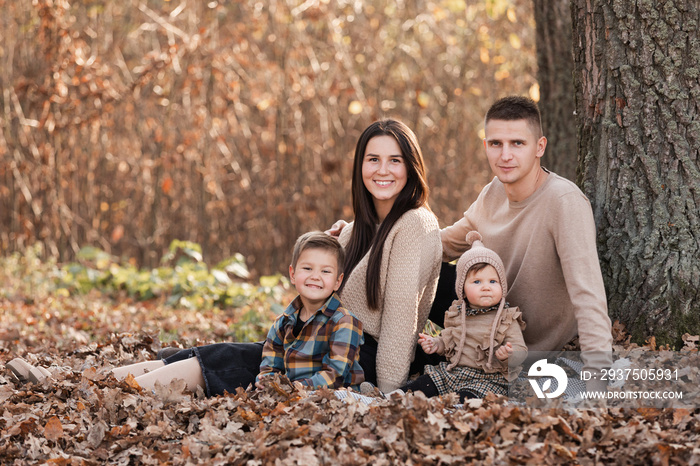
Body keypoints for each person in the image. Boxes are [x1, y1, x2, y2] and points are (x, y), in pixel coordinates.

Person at [8, 232, 364, 395]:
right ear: (292, 273)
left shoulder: (342, 322)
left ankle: (76, 388)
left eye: (325, 272)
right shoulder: (285, 320)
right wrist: (269, 384)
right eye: (307, 269)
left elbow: (333, 374)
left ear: (338, 280)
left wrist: (287, 392)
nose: (315, 277)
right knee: (196, 355)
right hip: (284, 388)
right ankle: (67, 378)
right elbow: (268, 362)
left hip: (309, 393)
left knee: (213, 359)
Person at [438, 95, 612, 378]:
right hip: (484, 326)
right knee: (420, 268)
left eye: (517, 143)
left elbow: (588, 293)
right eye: (496, 144)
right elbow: (442, 245)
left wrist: (598, 375)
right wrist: (358, 234)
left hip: (528, 348)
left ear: (539, 147)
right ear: (486, 146)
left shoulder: (565, 201)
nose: (505, 155)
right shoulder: (492, 192)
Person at [332, 119, 442, 394]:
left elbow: (400, 317)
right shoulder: (354, 231)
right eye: (373, 159)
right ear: (360, 167)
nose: (383, 170)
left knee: (240, 361)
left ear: (411, 167)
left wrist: (388, 393)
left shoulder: (416, 223)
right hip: (328, 342)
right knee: (244, 356)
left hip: (360, 357)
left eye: (395, 160)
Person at [400, 231, 527, 401]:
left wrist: (509, 354)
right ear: (462, 289)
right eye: (477, 282)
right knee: (428, 381)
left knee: (466, 397)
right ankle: (396, 395)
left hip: (488, 379)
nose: (486, 287)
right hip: (455, 371)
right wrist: (436, 344)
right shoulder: (458, 314)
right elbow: (449, 342)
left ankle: (451, 408)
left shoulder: (506, 318)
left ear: (502, 285)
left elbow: (521, 349)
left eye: (493, 281)